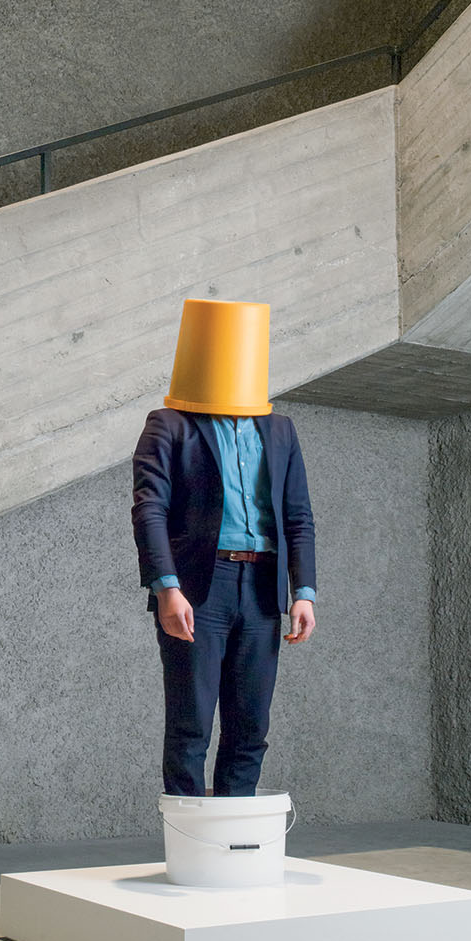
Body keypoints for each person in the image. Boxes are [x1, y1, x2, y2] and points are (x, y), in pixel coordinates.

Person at [131, 297, 316, 797]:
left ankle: (236, 835)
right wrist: (167, 588)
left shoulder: (279, 429)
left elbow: (298, 516)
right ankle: (190, 836)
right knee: (191, 727)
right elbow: (149, 509)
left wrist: (304, 592)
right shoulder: (169, 424)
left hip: (262, 590)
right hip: (198, 588)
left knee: (251, 727)